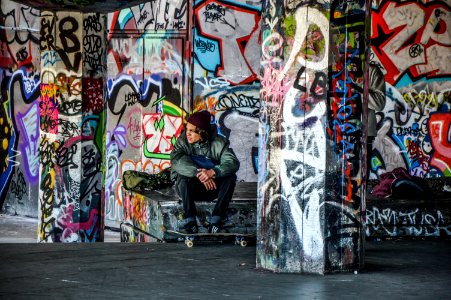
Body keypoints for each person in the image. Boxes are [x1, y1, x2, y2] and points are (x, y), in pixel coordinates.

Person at [170, 110, 240, 234]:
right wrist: (200, 173)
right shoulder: (182, 142)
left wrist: (213, 172)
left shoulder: (219, 143)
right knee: (182, 176)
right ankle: (190, 220)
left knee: (230, 177)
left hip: (212, 189)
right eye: (187, 129)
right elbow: (176, 161)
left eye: (192, 131)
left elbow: (232, 162)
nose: (188, 134)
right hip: (189, 190)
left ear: (202, 132)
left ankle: (216, 221)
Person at [367, 64, 386, 178]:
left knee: (361, 176)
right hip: (339, 129)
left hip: (364, 132)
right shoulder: (338, 69)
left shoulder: (372, 71)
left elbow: (380, 103)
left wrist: (357, 90)